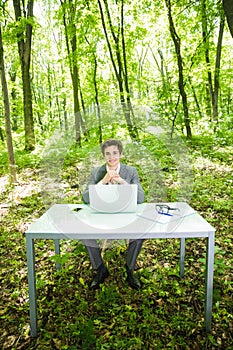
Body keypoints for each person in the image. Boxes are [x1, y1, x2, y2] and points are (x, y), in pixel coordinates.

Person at [82, 139, 145, 290]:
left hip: (126, 215)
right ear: (103, 156)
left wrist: (123, 182)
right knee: (83, 232)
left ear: (121, 154)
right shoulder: (96, 172)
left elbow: (141, 198)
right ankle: (100, 269)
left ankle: (130, 269)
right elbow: (85, 198)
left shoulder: (130, 171)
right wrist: (102, 182)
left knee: (141, 232)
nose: (111, 157)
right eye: (107, 154)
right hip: (101, 215)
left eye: (115, 153)